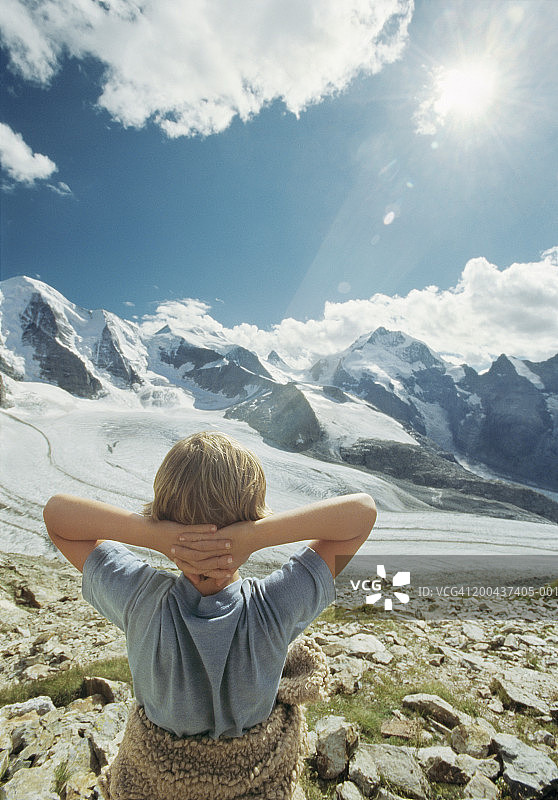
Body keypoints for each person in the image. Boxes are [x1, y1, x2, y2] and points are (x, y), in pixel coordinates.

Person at [43, 430, 376, 800]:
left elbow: (57, 516)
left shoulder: (139, 598)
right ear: (252, 519)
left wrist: (156, 536)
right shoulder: (274, 605)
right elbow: (362, 514)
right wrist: (257, 536)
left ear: (164, 516)